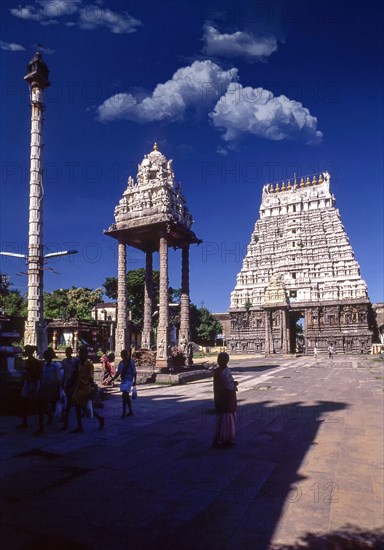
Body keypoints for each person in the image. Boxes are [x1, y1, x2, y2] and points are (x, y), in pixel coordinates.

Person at [71, 346, 104, 433]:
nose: (81, 355)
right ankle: (80, 426)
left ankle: (99, 418)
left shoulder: (89, 364)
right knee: (79, 407)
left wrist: (91, 391)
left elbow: (90, 378)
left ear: (86, 354)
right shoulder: (78, 363)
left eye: (83, 353)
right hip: (79, 387)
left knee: (84, 407)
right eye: (80, 353)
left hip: (86, 388)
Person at [212, 352, 238, 449]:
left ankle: (227, 439)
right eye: (222, 360)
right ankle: (218, 439)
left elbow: (229, 382)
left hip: (228, 399)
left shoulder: (226, 370)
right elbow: (223, 385)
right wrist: (233, 385)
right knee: (222, 420)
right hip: (223, 398)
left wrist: (233, 383)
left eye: (225, 360)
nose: (223, 362)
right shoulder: (219, 372)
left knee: (228, 419)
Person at [34, 348, 62, 436]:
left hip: (52, 388)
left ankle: (43, 426)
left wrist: (58, 393)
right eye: (45, 356)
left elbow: (58, 380)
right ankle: (46, 421)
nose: (46, 358)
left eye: (47, 356)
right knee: (40, 406)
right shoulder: (44, 365)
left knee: (44, 406)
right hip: (44, 388)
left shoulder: (55, 366)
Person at [16, 345, 42, 430]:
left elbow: (38, 374)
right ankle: (25, 421)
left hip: (33, 383)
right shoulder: (29, 361)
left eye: (27, 351)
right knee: (25, 402)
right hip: (28, 382)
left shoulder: (34, 362)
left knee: (36, 403)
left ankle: (40, 422)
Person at [111, 349, 137, 418]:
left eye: (124, 355)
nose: (123, 356)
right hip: (124, 380)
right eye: (122, 355)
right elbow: (118, 373)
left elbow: (134, 372)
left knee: (124, 395)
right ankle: (130, 411)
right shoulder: (121, 363)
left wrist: (135, 381)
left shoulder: (130, 362)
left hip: (129, 380)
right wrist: (112, 379)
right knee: (126, 396)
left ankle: (124, 411)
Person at [61, 347, 79, 430]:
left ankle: (66, 417)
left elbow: (78, 372)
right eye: (66, 351)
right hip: (67, 383)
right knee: (69, 401)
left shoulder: (75, 361)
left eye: (68, 351)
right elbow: (64, 374)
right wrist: (62, 384)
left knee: (75, 402)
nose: (67, 353)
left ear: (71, 352)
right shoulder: (64, 362)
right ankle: (66, 417)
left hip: (74, 383)